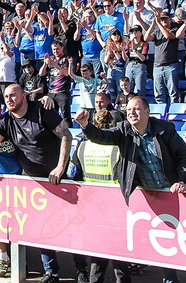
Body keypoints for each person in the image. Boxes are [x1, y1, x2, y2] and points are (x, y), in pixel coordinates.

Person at [0, 84, 72, 283]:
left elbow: (66, 135)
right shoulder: (6, 121)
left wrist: (60, 167)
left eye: (13, 95)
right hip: (33, 182)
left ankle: (83, 271)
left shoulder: (42, 110)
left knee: (72, 227)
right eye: (6, 96)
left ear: (24, 96)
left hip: (59, 179)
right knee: (42, 227)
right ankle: (51, 272)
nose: (9, 99)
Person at [76, 97, 186, 283]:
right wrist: (85, 124)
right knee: (163, 245)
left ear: (148, 112)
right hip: (149, 200)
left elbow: (185, 158)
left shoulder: (165, 129)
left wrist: (182, 181)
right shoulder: (124, 130)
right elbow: (101, 136)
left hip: (174, 193)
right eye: (129, 110)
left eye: (137, 109)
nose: (132, 113)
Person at [70, 108, 132, 283]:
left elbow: (75, 175)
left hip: (91, 206)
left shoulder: (82, 146)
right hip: (116, 207)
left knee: (98, 255)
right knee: (119, 257)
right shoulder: (117, 148)